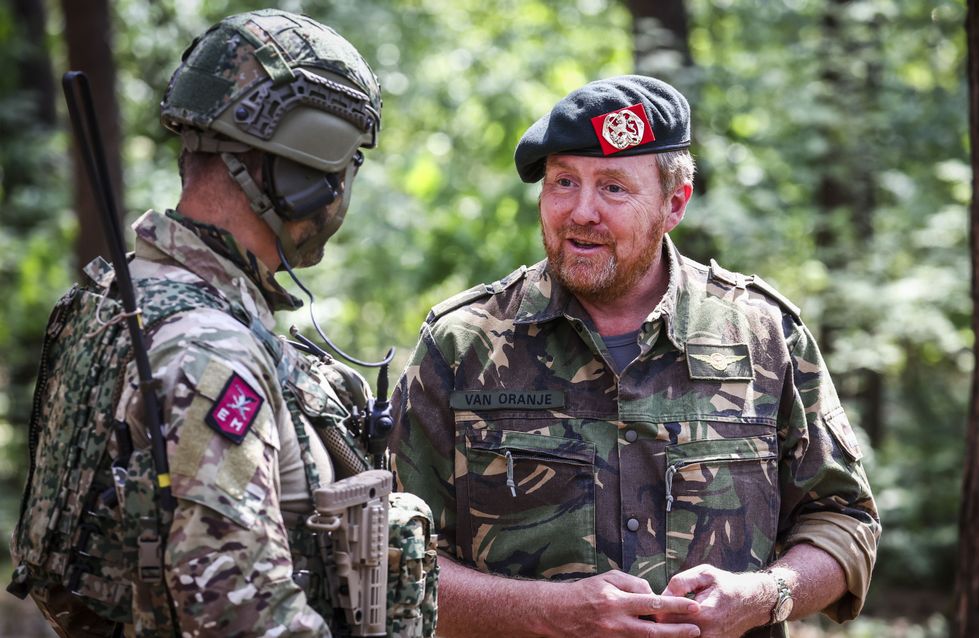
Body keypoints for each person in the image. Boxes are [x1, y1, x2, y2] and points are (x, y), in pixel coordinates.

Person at [389, 75, 879, 637]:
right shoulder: (463, 344)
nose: (581, 212)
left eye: (614, 188)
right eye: (563, 182)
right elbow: (393, 556)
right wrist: (548, 613)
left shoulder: (763, 336)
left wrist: (767, 595)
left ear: (674, 204)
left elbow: (845, 520)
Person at [9, 10, 436, 638]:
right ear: (301, 172)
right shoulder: (208, 351)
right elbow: (241, 616)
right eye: (345, 166)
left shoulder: (120, 300)